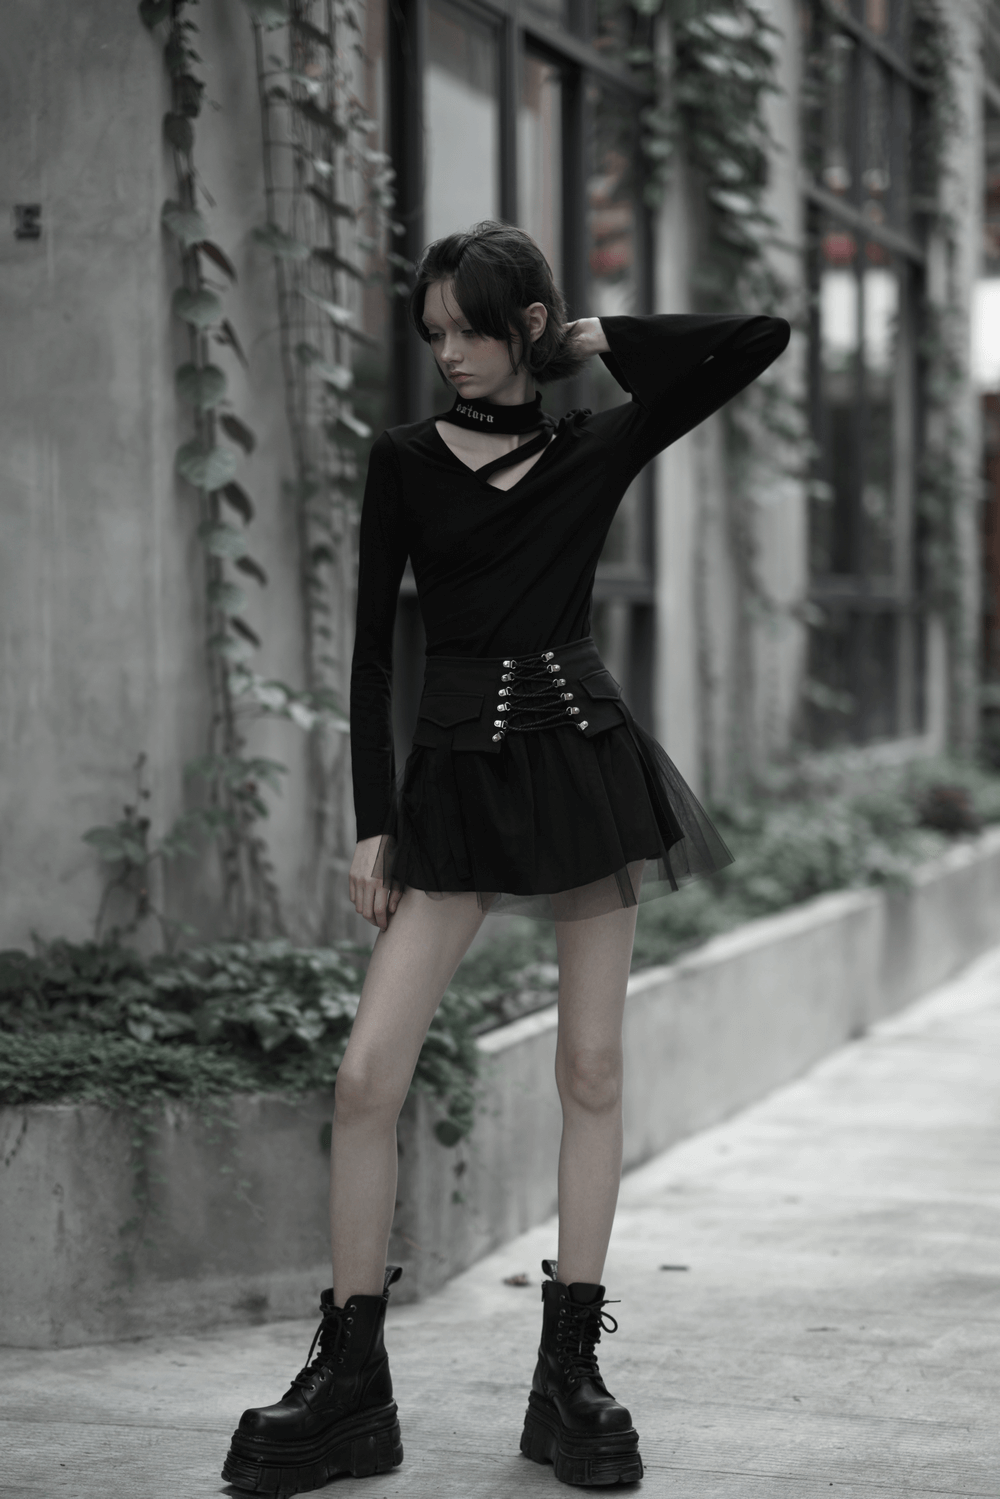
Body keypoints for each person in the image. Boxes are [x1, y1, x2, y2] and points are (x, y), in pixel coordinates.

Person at [222, 220, 789, 1494]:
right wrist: (373, 821)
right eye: (433, 334)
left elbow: (757, 340)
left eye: (472, 329)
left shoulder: (596, 443)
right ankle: (350, 1378)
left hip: (582, 766)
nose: (450, 355)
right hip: (454, 785)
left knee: (591, 1068)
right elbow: (371, 654)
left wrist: (600, 340)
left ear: (523, 327)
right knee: (367, 1071)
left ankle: (568, 1373)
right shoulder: (405, 461)